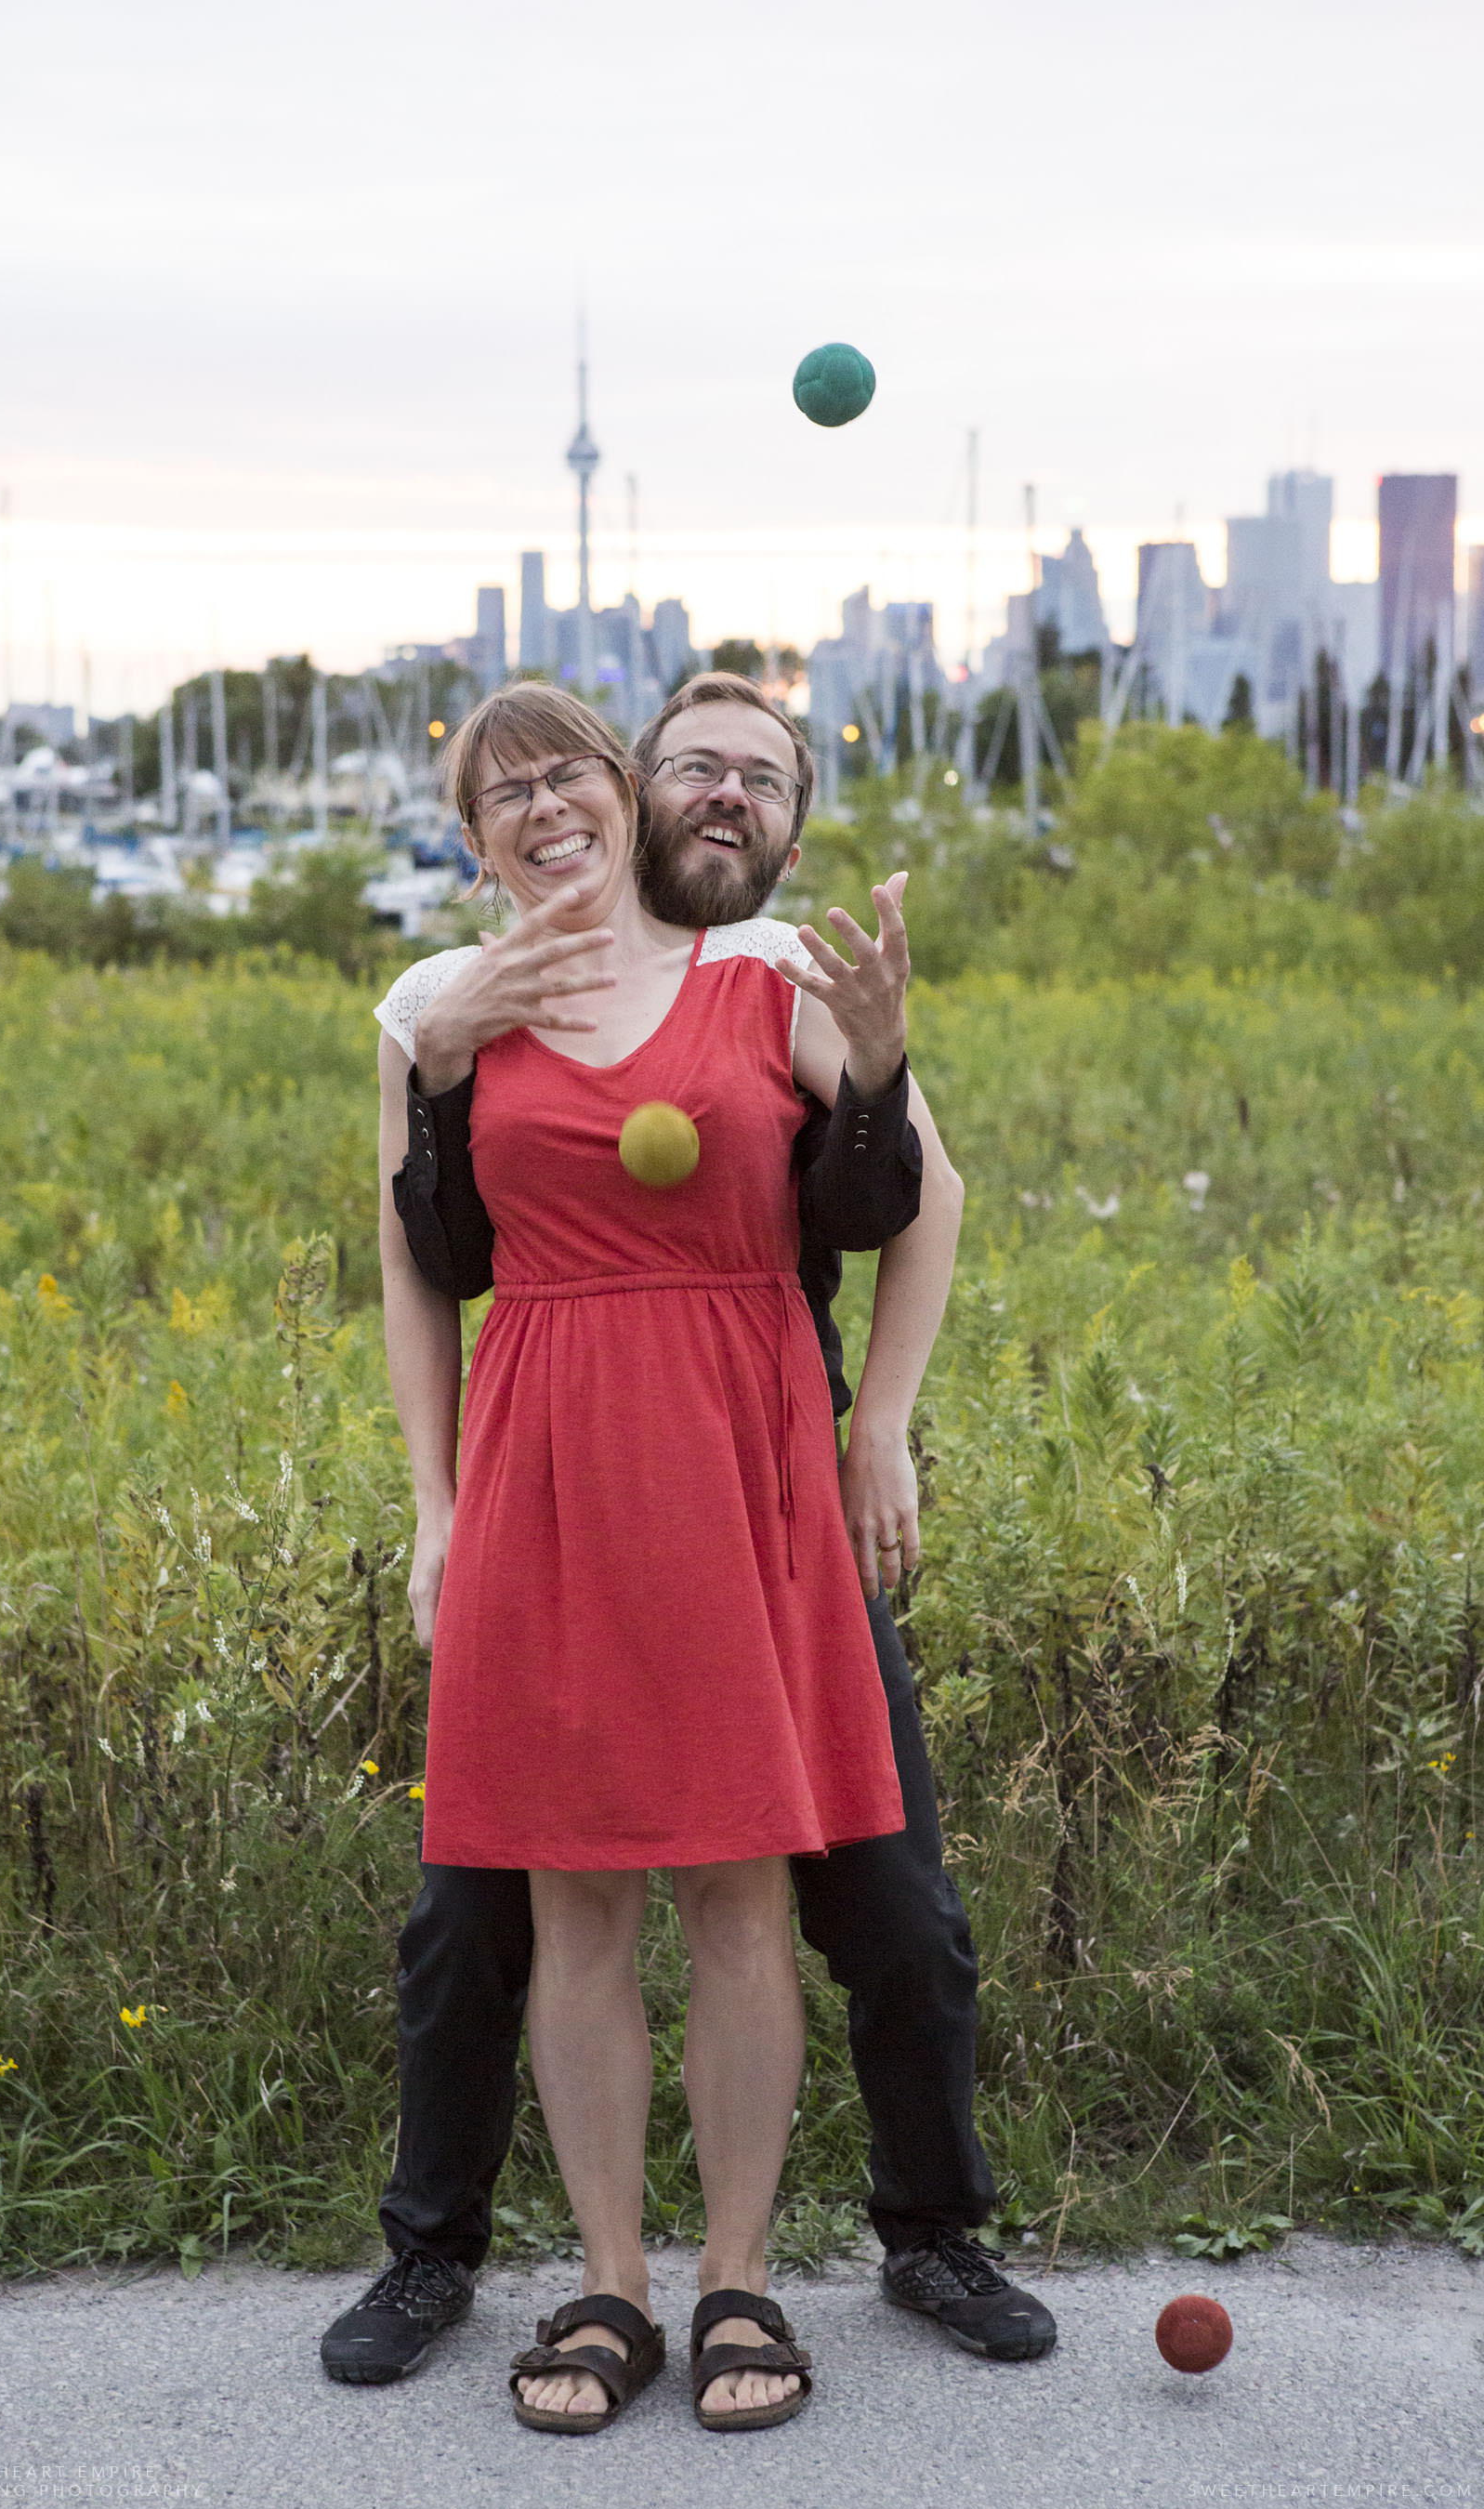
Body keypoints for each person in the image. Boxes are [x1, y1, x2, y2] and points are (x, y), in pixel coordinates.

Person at [321, 675, 1056, 2405]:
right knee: (510, 1908)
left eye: (564, 773)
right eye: (502, 792)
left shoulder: (760, 970)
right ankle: (552, 2276)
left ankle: (783, 2271)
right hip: (547, 1471)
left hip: (746, 1461)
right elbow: (421, 1262)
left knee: (823, 1889)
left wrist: (878, 1421)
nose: (546, 809)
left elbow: (907, 1184)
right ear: (473, 829)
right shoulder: (435, 1005)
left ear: (615, 788)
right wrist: (431, 1509)